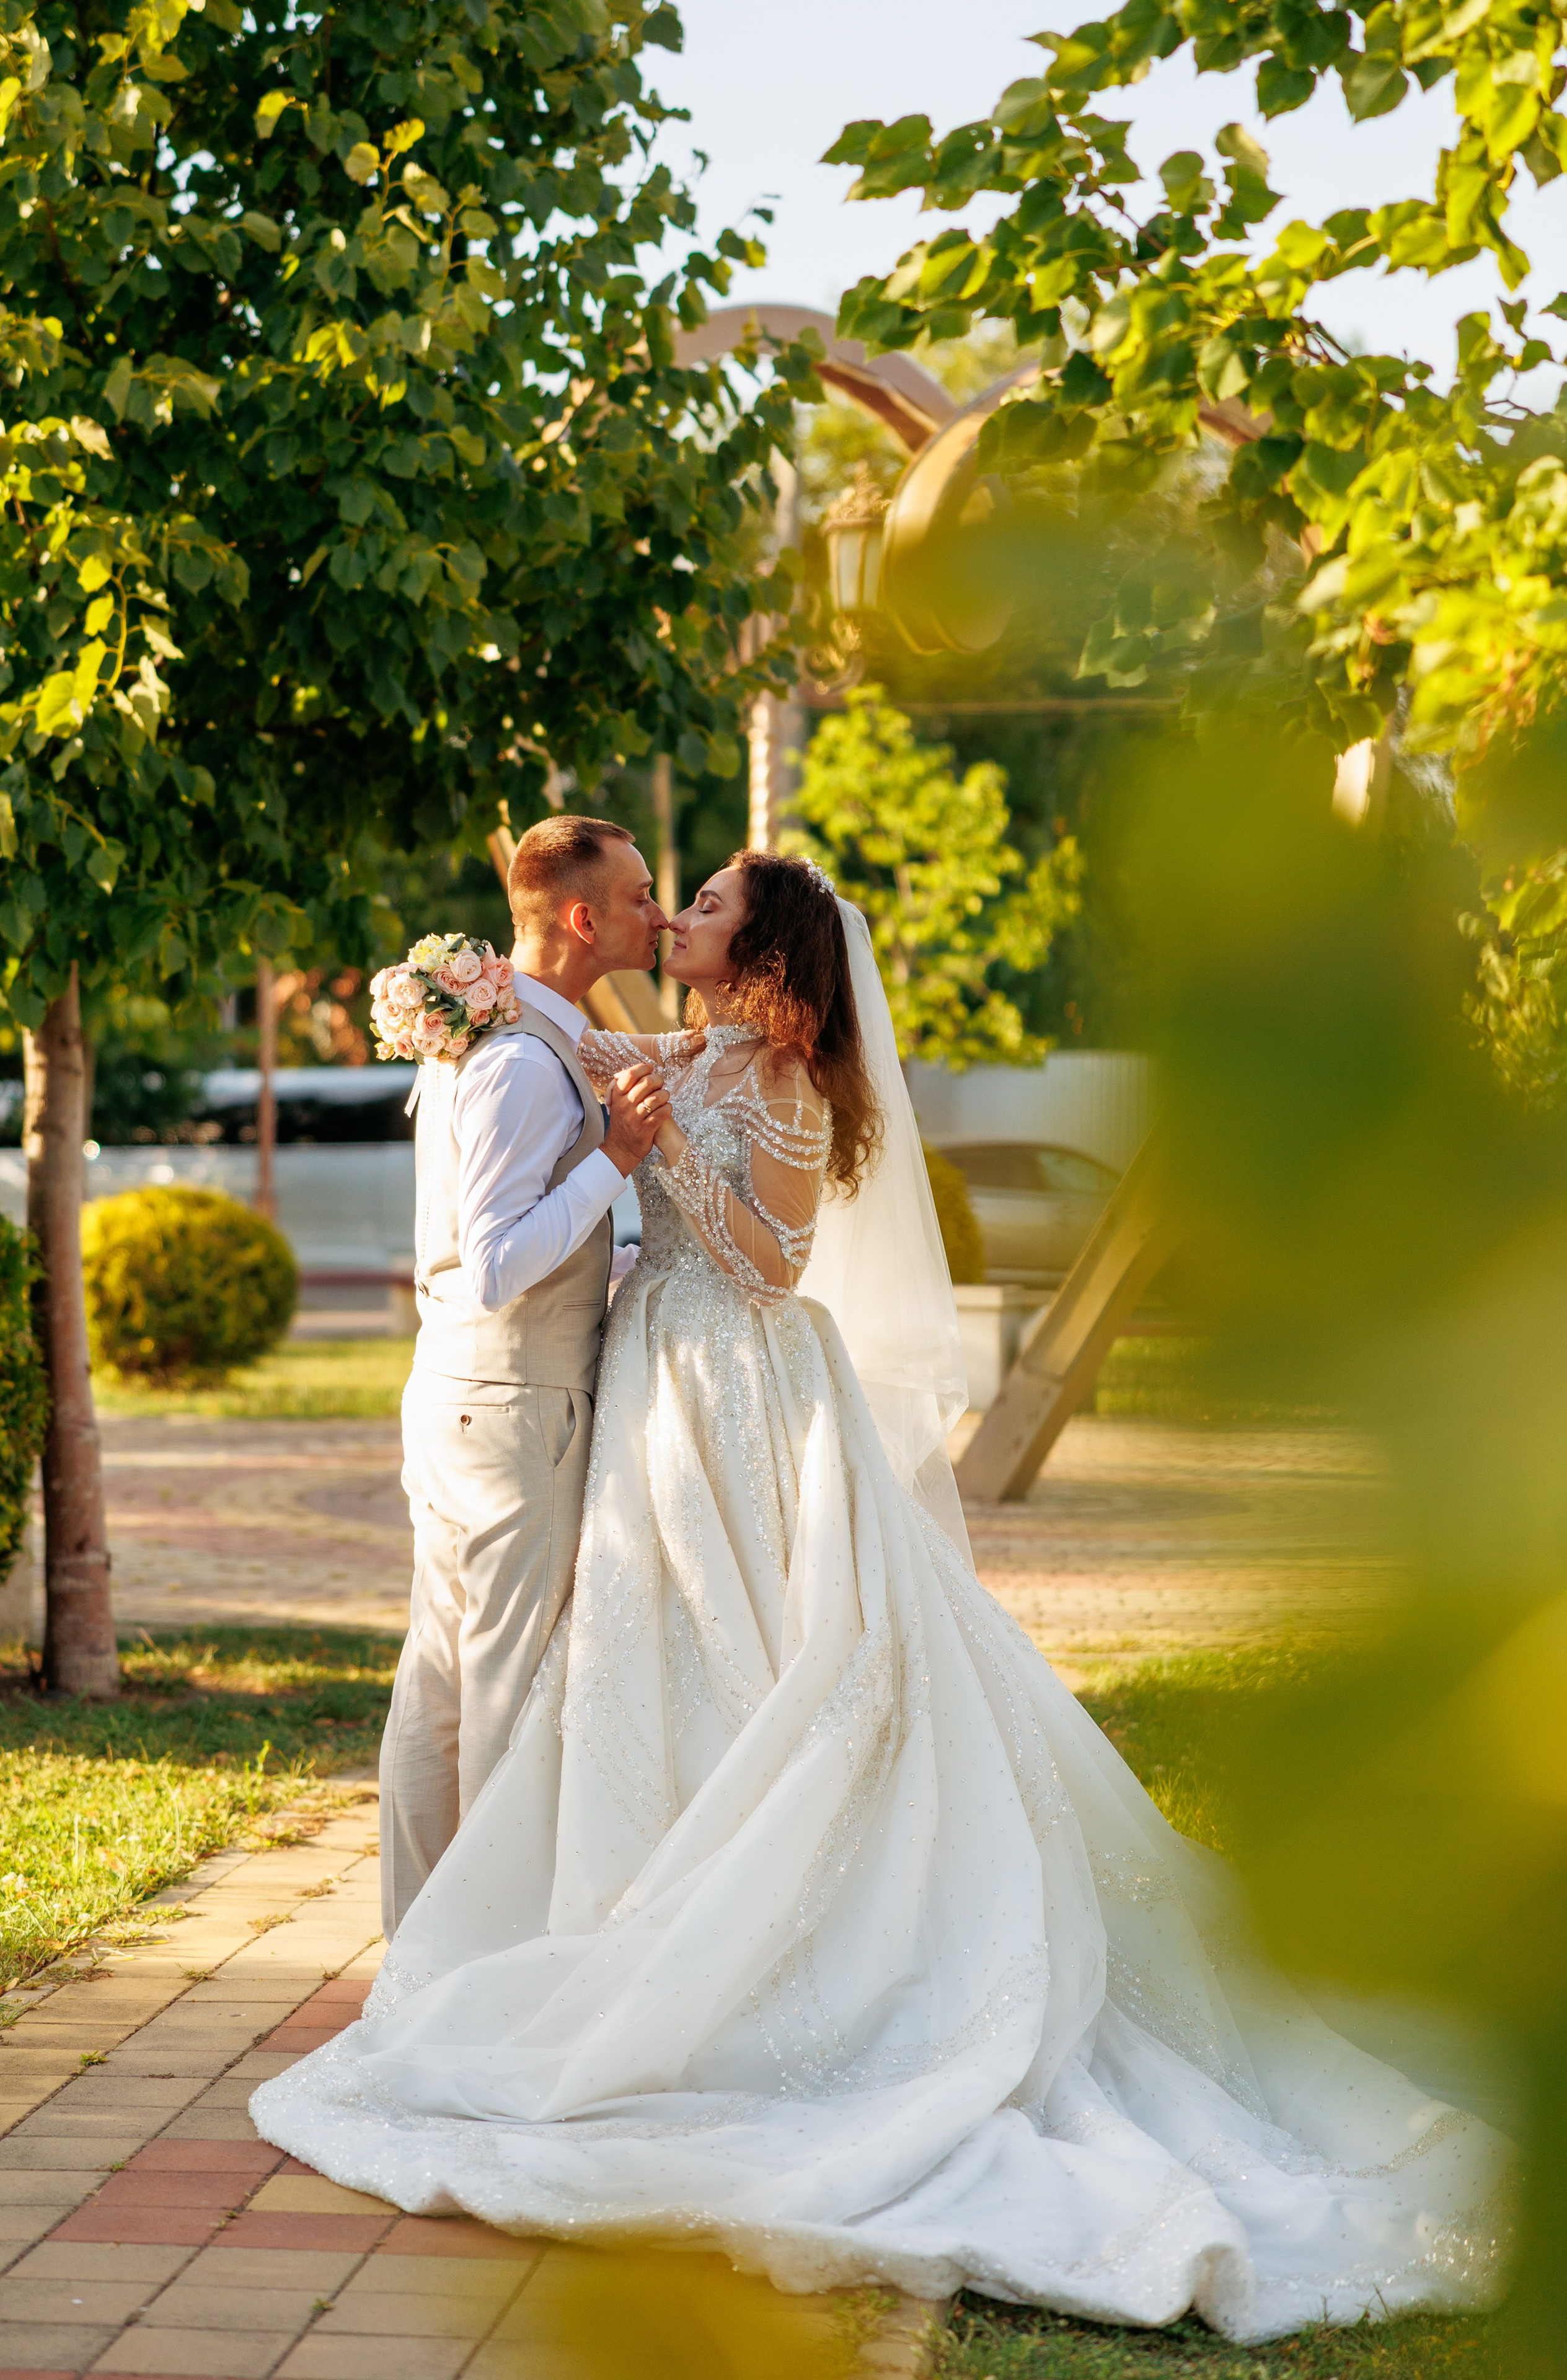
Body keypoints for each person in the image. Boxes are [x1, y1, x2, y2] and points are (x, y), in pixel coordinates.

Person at [260, 852, 1508, 2345]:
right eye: (672, 899)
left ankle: (749, 1969)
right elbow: (569, 1051)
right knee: (649, 1666)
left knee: (770, 1669)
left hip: (741, 1385)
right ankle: (623, 1927)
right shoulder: (686, 1046)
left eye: (707, 906)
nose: (680, 920)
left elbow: (776, 1262)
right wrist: (462, 1002)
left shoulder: (786, 1079)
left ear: (767, 954)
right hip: (652, 1391)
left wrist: (649, 1158)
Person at [378, 815, 672, 1936]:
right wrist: (618, 1161)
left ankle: (422, 1958)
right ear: (586, 917)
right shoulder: (515, 1062)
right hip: (511, 1411)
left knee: (443, 1688)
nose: (659, 912)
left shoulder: (504, 1041)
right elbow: (496, 1261)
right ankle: (478, 1972)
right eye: (644, 895)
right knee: (495, 1696)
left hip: (462, 1398)